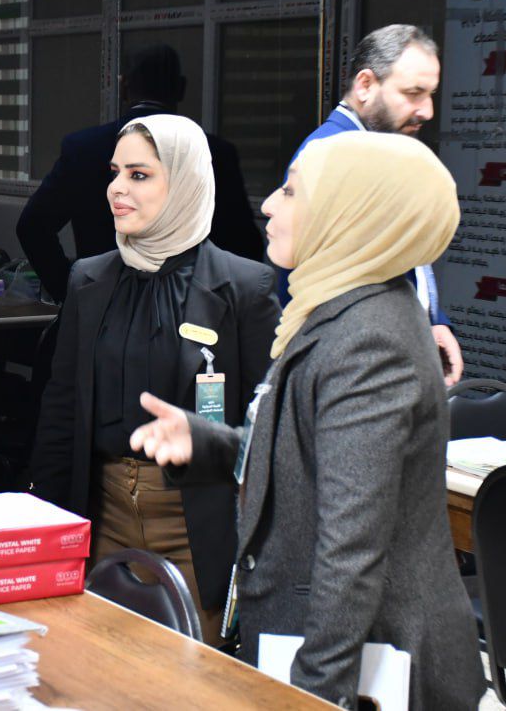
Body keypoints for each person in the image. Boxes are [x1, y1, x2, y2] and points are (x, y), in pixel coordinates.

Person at [131, 131, 484, 710]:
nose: (270, 205)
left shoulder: (371, 341)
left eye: (292, 192)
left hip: (372, 665)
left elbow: (352, 547)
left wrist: (313, 696)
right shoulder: (338, 308)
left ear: (352, 214)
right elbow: (313, 457)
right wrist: (210, 444)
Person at [30, 114, 278, 645]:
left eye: (139, 175)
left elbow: (269, 433)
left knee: (192, 677)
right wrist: (47, 530)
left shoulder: (245, 288)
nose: (116, 188)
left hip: (198, 526)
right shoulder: (89, 279)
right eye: (115, 173)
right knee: (99, 669)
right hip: (102, 517)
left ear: (185, 182)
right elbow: (62, 411)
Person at [282, 24, 462, 385]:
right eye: (413, 93)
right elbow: (312, 287)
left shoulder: (375, 151)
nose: (427, 110)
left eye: (430, 94)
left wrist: (433, 320)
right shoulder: (331, 157)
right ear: (365, 85)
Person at [17, 44, 263, 302]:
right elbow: (246, 246)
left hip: (105, 305)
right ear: (180, 88)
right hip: (190, 307)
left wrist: (70, 294)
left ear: (124, 88)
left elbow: (33, 225)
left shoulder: (85, 148)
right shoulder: (215, 153)